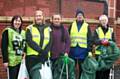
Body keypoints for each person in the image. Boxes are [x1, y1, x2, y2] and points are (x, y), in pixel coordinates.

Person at [25, 10, 52, 79]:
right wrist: (41, 51)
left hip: (45, 58)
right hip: (33, 59)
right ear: (34, 18)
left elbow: (50, 42)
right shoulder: (29, 28)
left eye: (40, 16)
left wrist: (45, 52)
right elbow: (30, 42)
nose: (38, 17)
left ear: (43, 17)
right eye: (37, 16)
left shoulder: (48, 29)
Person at [69, 9, 92, 79]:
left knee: (82, 69)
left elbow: (89, 39)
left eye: (81, 15)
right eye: (78, 15)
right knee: (72, 69)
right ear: (76, 16)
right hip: (73, 50)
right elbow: (68, 37)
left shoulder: (87, 26)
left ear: (83, 17)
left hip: (83, 51)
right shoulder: (71, 25)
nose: (79, 16)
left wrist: (89, 50)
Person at [93, 14, 116, 79]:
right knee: (98, 73)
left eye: (105, 20)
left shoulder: (111, 30)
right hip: (99, 55)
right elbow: (94, 40)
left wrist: (108, 42)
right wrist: (101, 41)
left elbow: (114, 41)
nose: (103, 21)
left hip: (108, 55)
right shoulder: (97, 30)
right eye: (102, 20)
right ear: (100, 22)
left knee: (106, 73)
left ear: (107, 21)